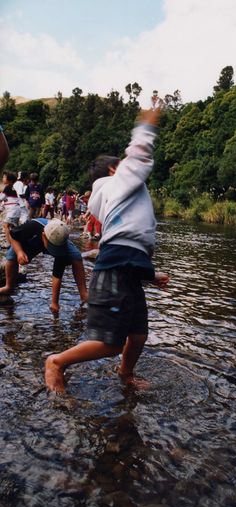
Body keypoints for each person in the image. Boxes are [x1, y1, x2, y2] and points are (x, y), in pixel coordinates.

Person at [45, 108, 169, 393]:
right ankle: (56, 361)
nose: (127, 165)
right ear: (115, 169)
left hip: (127, 268)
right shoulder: (121, 180)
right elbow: (138, 154)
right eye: (122, 164)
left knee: (138, 335)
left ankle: (125, 374)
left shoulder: (109, 195)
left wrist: (150, 274)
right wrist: (145, 125)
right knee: (111, 343)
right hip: (115, 269)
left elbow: (129, 239)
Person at [0, 218, 88, 314]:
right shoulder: (31, 227)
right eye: (53, 248)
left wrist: (54, 303)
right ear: (43, 236)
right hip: (34, 240)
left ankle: (83, 294)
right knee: (11, 256)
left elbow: (57, 275)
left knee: (76, 256)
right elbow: (13, 236)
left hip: (54, 240)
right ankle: (8, 286)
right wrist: (20, 252)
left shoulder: (62, 246)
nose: (54, 251)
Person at [0, 171, 21, 246]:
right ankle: (17, 242)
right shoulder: (12, 188)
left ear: (10, 180)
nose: (3, 178)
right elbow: (6, 200)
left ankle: (9, 243)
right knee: (13, 227)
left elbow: (1, 198)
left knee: (6, 225)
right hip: (16, 210)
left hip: (13, 210)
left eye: (4, 177)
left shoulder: (7, 187)